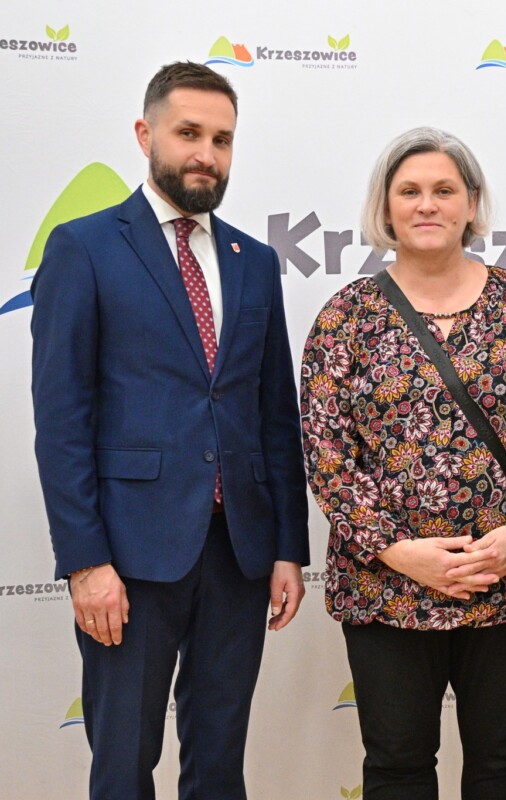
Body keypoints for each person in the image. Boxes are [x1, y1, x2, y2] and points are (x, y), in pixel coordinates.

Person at [30, 61, 309, 799]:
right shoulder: (84, 247)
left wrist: (287, 546)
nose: (205, 154)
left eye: (221, 139)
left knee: (219, 764)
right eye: (189, 133)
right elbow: (61, 421)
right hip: (129, 558)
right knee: (123, 764)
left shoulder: (255, 261)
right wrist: (86, 562)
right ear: (145, 134)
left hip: (239, 553)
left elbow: (274, 415)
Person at [301, 127, 506, 800]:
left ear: (471, 203)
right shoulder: (346, 317)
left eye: (444, 190)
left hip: (504, 584)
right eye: (409, 191)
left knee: (504, 765)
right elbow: (328, 457)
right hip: (386, 590)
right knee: (397, 766)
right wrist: (399, 552)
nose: (426, 204)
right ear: (385, 208)